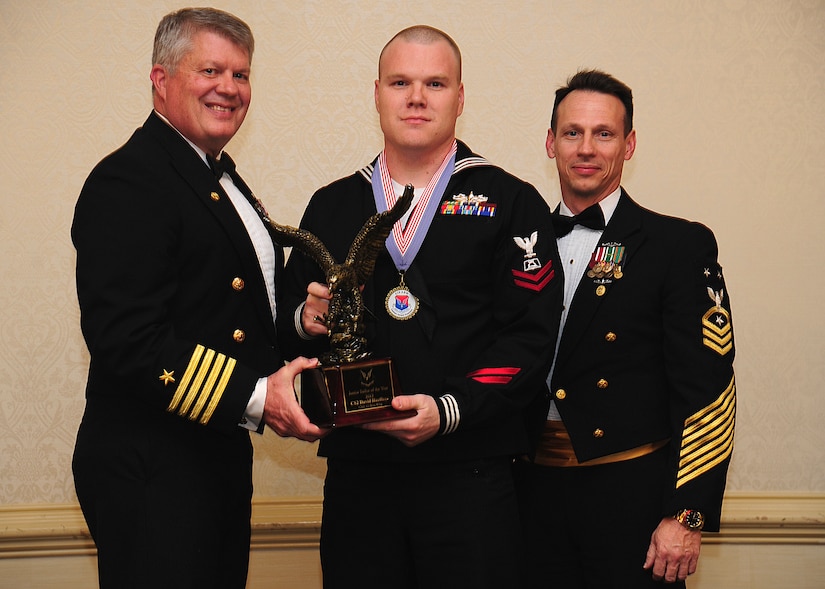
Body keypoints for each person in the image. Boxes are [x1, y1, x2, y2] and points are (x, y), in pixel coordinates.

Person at [278, 25, 562, 589]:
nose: (416, 97)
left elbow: (529, 339)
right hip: (359, 478)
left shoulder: (510, 201)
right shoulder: (333, 204)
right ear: (377, 93)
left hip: (471, 475)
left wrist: (450, 408)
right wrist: (305, 321)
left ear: (460, 97)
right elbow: (287, 324)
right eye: (400, 81)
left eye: (435, 82)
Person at [71, 8, 324, 588]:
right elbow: (129, 341)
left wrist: (300, 322)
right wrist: (261, 398)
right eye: (210, 70)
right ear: (160, 79)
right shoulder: (130, 179)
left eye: (241, 74)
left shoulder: (215, 175)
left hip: (211, 454)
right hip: (154, 465)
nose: (229, 89)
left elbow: (232, 315)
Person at [514, 69, 736, 588]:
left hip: (630, 497)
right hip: (526, 493)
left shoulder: (676, 246)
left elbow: (707, 389)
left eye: (604, 133)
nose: (586, 148)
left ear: (629, 144)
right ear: (551, 143)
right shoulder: (513, 244)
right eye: (572, 133)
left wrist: (686, 516)